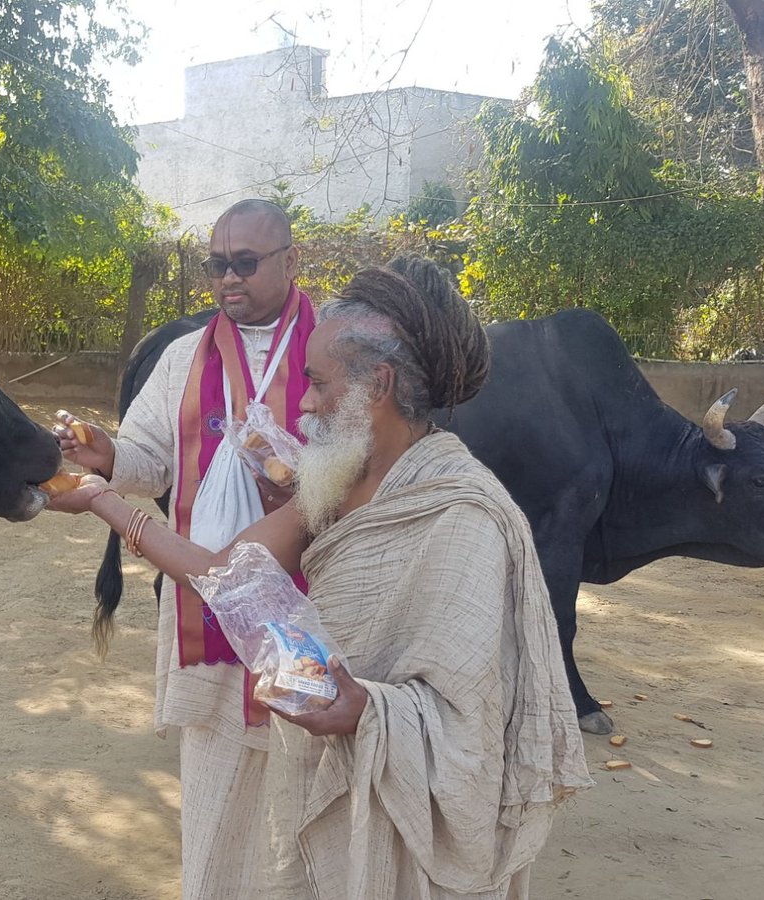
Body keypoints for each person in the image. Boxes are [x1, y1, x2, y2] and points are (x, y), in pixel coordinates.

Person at [50, 257, 592, 898]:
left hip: (409, 816)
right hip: (321, 771)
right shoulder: (336, 482)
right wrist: (102, 500)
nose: (302, 405)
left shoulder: (464, 514)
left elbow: (471, 716)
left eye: (317, 383)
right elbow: (226, 575)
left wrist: (371, 711)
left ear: (380, 385)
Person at [55, 198, 313, 898]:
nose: (228, 280)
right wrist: (105, 450)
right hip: (210, 611)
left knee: (313, 794)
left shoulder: (333, 347)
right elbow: (150, 459)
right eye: (216, 265)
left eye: (246, 264)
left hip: (316, 612)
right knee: (217, 792)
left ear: (292, 261)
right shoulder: (182, 358)